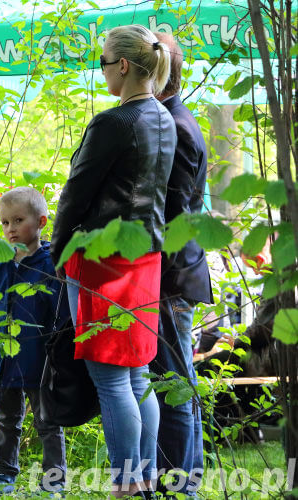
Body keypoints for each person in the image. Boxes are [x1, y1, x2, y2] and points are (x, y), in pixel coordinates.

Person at [51, 24, 175, 498]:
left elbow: (74, 195)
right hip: (145, 259)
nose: (101, 71)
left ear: (123, 65)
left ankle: (127, 485)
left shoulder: (114, 121)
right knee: (137, 375)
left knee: (110, 379)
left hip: (102, 261)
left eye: (103, 62)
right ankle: (142, 481)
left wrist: (60, 250)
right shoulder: (163, 118)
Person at [149, 32, 213, 497]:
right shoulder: (170, 120)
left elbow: (174, 216)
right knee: (176, 379)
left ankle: (181, 484)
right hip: (172, 275)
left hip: (173, 276)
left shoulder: (178, 128)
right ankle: (185, 477)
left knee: (173, 385)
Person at [0, 187, 68, 495]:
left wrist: (62, 363)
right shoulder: (0, 267)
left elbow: (61, 316)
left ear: (40, 222)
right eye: (4, 223)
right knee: (6, 421)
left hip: (39, 362)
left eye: (17, 220)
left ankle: (54, 480)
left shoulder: (51, 265)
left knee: (48, 422)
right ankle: (4, 473)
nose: (10, 229)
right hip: (4, 361)